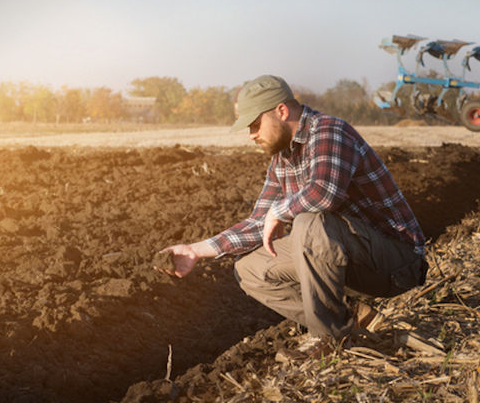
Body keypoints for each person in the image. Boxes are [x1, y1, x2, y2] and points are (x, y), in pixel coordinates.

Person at [157, 74, 427, 361]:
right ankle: (349, 319)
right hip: (352, 257)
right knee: (250, 269)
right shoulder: (282, 159)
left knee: (308, 223)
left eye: (255, 124)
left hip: (397, 264)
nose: (251, 134)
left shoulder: (329, 131)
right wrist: (195, 250)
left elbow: (324, 193)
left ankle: (328, 339)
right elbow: (259, 222)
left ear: (281, 111)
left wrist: (280, 211)